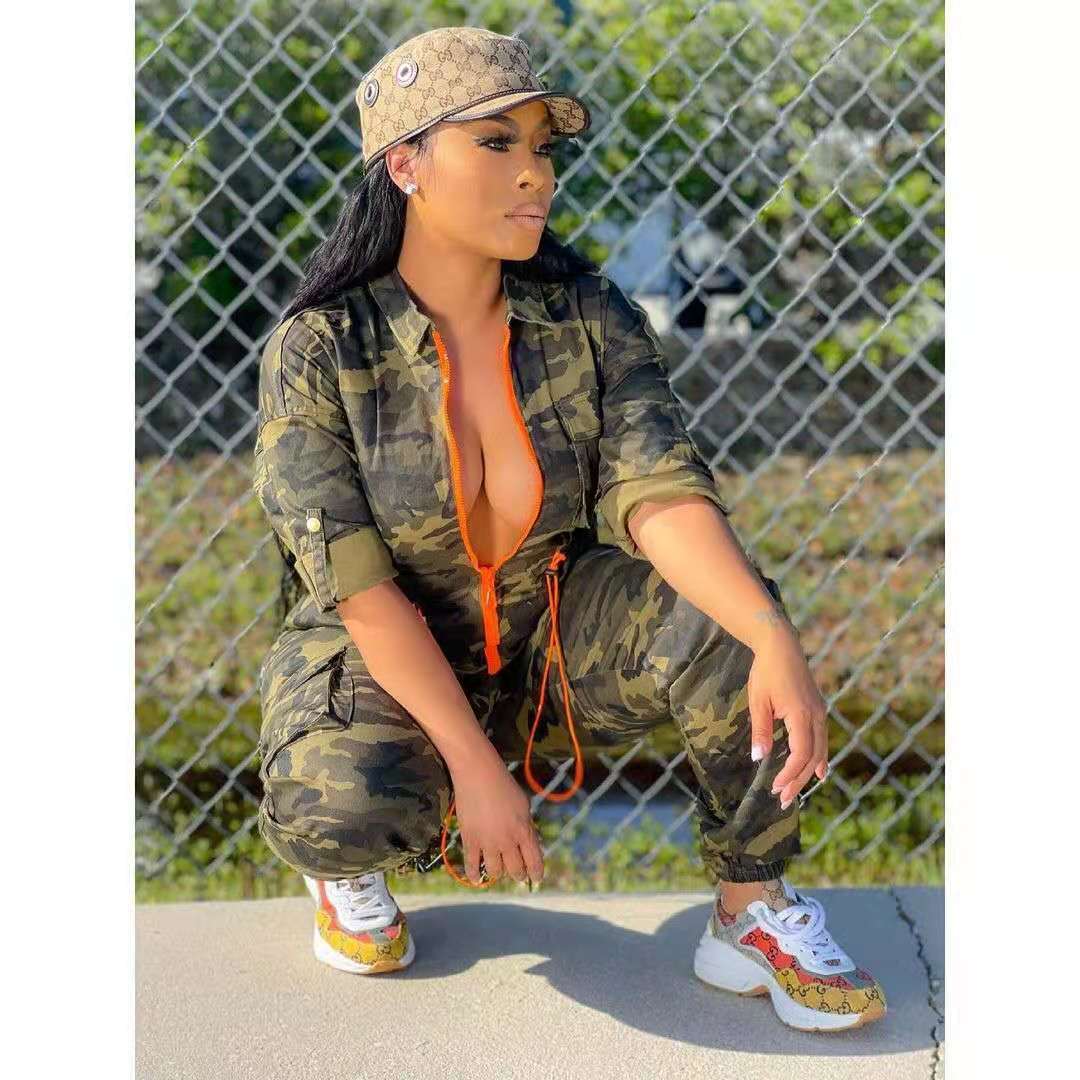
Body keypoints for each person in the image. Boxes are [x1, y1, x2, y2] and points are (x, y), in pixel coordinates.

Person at [252, 25, 885, 1032]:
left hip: (548, 642)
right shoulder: (321, 347)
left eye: (543, 147)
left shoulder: (587, 316)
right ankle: (348, 872)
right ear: (405, 164)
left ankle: (750, 911)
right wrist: (474, 767)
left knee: (729, 617)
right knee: (341, 802)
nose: (536, 174)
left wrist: (770, 631)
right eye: (496, 143)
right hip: (389, 657)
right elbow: (361, 589)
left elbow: (660, 494)